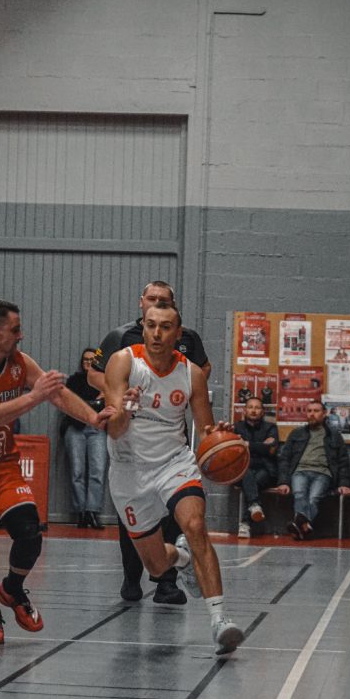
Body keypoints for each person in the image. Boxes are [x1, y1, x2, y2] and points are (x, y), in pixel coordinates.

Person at [0, 298, 114, 645]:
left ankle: (12, 589)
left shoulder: (20, 363)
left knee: (30, 533)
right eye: (15, 330)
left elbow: (57, 394)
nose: (21, 335)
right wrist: (33, 397)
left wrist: (93, 418)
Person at [104, 302, 243, 655]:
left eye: (165, 327)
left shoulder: (191, 374)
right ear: (143, 327)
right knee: (155, 564)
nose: (156, 333)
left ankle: (220, 620)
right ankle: (181, 559)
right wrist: (127, 409)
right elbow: (114, 429)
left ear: (178, 334)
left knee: (195, 525)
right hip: (129, 470)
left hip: (173, 463)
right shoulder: (123, 362)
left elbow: (205, 430)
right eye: (151, 325)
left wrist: (220, 437)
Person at [89, 279, 212, 605]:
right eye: (151, 298)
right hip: (130, 442)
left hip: (169, 444)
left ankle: (167, 582)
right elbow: (93, 373)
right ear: (141, 302)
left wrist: (176, 391)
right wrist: (119, 393)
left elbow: (202, 369)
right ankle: (132, 576)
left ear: (173, 305)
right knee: (133, 517)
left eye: (163, 299)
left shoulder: (187, 339)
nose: (156, 302)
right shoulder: (121, 338)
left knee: (175, 514)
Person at [276, 399, 350, 539]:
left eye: (316, 411)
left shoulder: (334, 435)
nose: (312, 414)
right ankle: (303, 527)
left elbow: (343, 461)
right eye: (309, 411)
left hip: (323, 473)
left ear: (324, 414)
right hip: (300, 471)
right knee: (299, 494)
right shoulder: (296, 433)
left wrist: (344, 483)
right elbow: (285, 459)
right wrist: (283, 481)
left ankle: (298, 524)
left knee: (314, 498)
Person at [60, 348, 108, 528]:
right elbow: (69, 404)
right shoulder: (73, 380)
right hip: (75, 428)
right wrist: (96, 402)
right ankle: (80, 512)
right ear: (81, 362)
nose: (88, 362)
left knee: (98, 471)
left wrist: (86, 404)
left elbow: (108, 404)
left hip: (98, 428)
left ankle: (92, 512)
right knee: (76, 472)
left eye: (92, 360)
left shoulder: (104, 381)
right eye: (85, 359)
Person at [233, 397, 279, 538]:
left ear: (263, 412)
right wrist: (261, 446)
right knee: (247, 474)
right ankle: (254, 506)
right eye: (250, 407)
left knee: (252, 481)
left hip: (265, 470)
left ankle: (245, 523)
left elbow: (271, 450)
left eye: (257, 407)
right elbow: (234, 449)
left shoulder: (271, 428)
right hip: (242, 469)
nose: (253, 410)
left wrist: (247, 444)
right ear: (244, 410)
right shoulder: (237, 427)